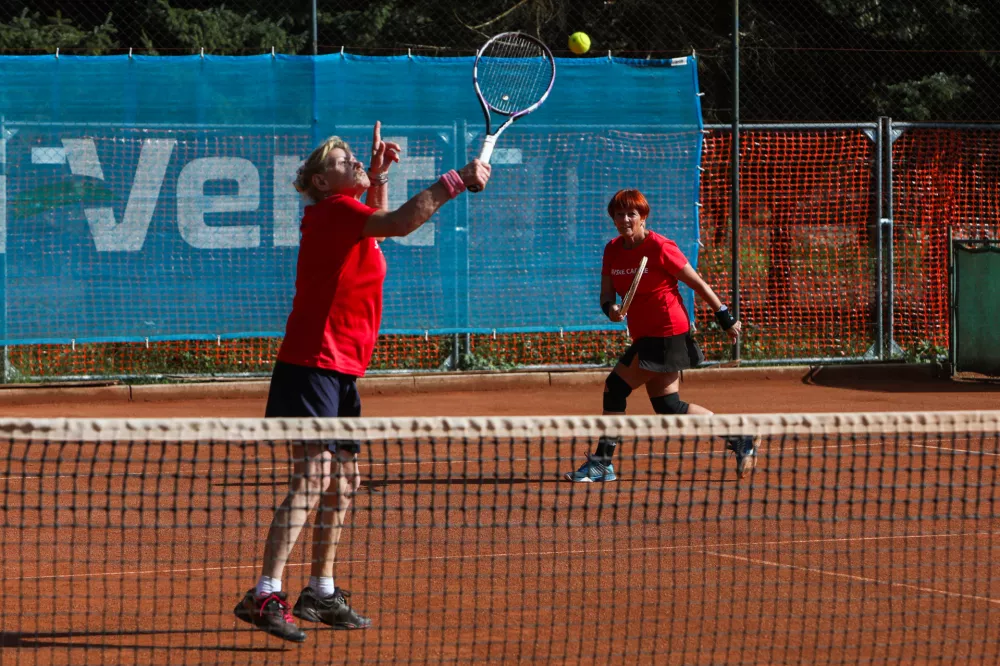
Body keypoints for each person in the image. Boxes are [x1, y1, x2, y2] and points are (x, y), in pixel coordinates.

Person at [234, 121, 491, 642]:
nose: (353, 160)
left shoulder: (348, 215)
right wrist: (457, 180)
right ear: (321, 182)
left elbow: (378, 227)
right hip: (312, 365)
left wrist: (376, 178)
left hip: (342, 369)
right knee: (312, 479)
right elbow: (398, 224)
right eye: (341, 160)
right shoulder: (332, 211)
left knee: (345, 481)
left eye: (353, 156)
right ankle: (264, 594)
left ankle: (320, 592)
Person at [565, 189, 758, 483]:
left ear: (643, 217)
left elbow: (698, 283)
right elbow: (607, 294)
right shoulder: (612, 250)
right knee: (669, 407)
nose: (625, 219)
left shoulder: (660, 247)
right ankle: (739, 436)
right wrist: (611, 309)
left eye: (632, 214)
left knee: (615, 388)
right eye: (619, 214)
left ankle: (602, 463)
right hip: (644, 334)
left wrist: (723, 316)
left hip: (667, 332)